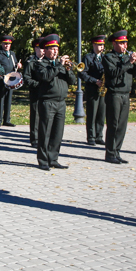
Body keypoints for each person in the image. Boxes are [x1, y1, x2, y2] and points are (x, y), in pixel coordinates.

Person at [33, 34, 78, 170]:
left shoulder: (61, 65)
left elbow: (73, 81)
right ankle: (43, 160)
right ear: (46, 50)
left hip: (61, 102)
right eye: (52, 49)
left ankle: (53, 159)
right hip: (47, 102)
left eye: (56, 49)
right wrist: (59, 65)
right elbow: (46, 77)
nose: (55, 51)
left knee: (57, 133)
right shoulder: (40, 64)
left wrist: (68, 70)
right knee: (45, 132)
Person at [102, 30, 136, 164]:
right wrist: (129, 62)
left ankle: (117, 152)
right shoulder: (108, 57)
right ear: (114, 43)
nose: (125, 45)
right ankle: (110, 153)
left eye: (126, 43)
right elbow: (113, 73)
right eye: (122, 43)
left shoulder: (126, 58)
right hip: (114, 94)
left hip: (125, 94)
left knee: (122, 126)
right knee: (113, 124)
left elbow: (134, 74)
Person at [78, 34, 107, 146]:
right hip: (92, 89)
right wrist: (95, 81)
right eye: (99, 45)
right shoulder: (88, 57)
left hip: (102, 89)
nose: (102, 47)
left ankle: (99, 136)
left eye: (103, 45)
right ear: (94, 45)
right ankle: (91, 137)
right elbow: (82, 73)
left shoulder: (105, 58)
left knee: (101, 114)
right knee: (92, 113)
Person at [0, 35, 20, 127]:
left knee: (8, 99)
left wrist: (18, 65)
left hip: (11, 79)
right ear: (2, 44)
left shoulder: (12, 54)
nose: (7, 45)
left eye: (8, 44)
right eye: (5, 43)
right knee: (0, 99)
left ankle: (7, 120)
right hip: (2, 79)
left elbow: (14, 64)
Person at [22, 38, 44, 147]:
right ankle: (34, 139)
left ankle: (43, 137)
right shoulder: (30, 61)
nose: (43, 50)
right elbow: (26, 78)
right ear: (36, 48)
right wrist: (38, 85)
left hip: (47, 93)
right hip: (36, 92)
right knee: (35, 116)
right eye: (41, 48)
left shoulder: (47, 60)